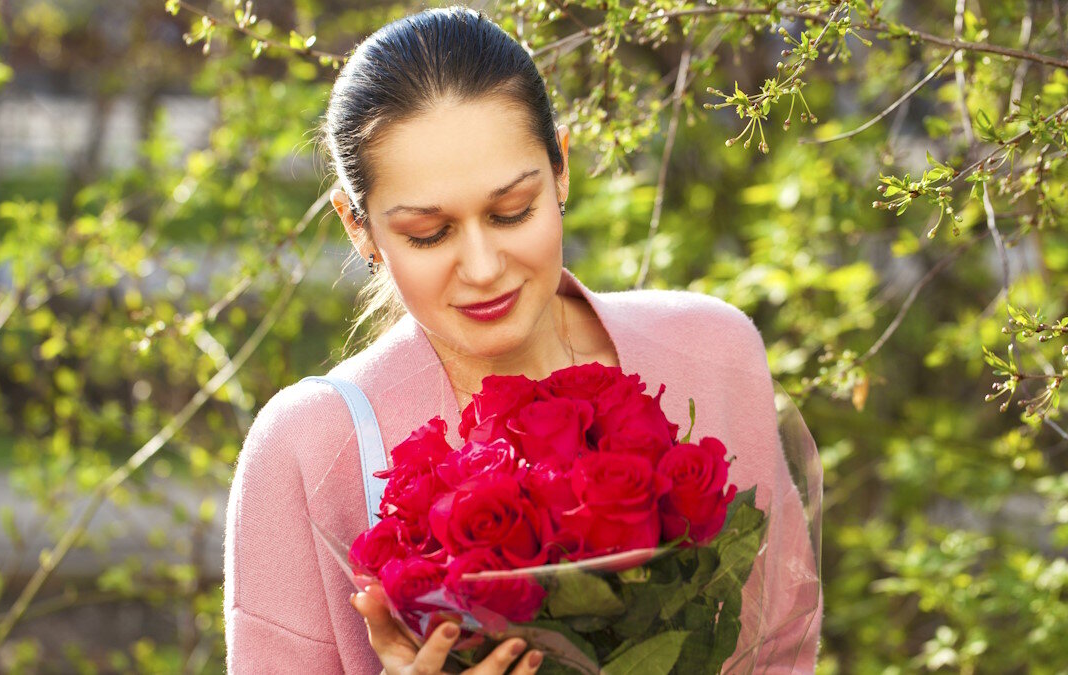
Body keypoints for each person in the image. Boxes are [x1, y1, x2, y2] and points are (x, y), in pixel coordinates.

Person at [223, 6, 822, 674]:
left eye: (512, 211)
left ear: (561, 167)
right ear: (358, 226)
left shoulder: (712, 353)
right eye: (429, 231)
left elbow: (780, 652)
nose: (483, 268)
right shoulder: (310, 447)